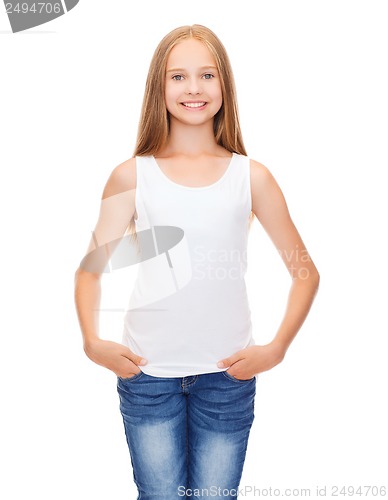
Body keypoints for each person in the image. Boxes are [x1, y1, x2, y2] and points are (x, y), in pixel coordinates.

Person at [74, 24, 320, 500]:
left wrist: (276, 348)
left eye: (206, 75)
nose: (193, 88)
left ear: (224, 85)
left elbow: (304, 273)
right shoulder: (132, 175)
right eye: (178, 76)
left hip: (228, 375)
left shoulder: (253, 177)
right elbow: (90, 271)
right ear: (158, 88)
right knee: (161, 496)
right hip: (147, 374)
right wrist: (91, 342)